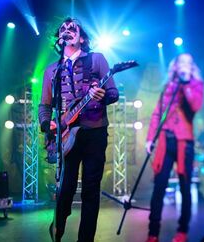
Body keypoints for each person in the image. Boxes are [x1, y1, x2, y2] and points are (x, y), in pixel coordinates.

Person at [38, 17, 119, 242]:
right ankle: (59, 226)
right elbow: (44, 105)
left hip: (94, 131)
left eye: (72, 28)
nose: (67, 30)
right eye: (63, 29)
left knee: (90, 190)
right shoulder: (52, 70)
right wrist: (48, 124)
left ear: (81, 37)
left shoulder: (97, 60)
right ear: (60, 38)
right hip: (65, 135)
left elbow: (113, 93)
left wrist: (102, 97)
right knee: (65, 188)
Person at [145, 53, 204, 242]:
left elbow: (195, 106)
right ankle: (153, 233)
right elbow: (157, 114)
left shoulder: (196, 85)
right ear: (176, 66)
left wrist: (186, 82)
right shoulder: (168, 87)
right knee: (159, 187)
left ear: (192, 66)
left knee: (185, 186)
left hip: (183, 142)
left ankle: (182, 231)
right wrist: (150, 138)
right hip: (165, 140)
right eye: (182, 62)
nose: (184, 65)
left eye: (188, 62)